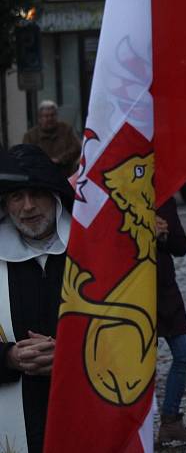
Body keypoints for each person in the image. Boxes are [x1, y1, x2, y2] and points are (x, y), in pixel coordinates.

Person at [0, 144, 73, 453]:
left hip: (82, 410)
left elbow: (129, 334)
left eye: (37, 194)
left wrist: (71, 356)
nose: (28, 206)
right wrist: (8, 357)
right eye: (17, 196)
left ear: (55, 196)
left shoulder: (90, 257)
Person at [155, 196, 186, 446]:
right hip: (133, 293)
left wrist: (163, 236)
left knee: (183, 354)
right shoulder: (119, 197)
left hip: (165, 292)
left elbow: (181, 246)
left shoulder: (164, 197)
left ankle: (170, 421)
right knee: (140, 366)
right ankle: (137, 429)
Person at [22, 101, 81, 176]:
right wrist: (45, 162)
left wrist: (60, 159)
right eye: (46, 116)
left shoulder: (66, 130)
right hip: (40, 176)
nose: (50, 119)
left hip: (65, 174)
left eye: (52, 115)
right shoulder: (30, 135)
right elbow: (26, 155)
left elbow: (76, 147)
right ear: (40, 118)